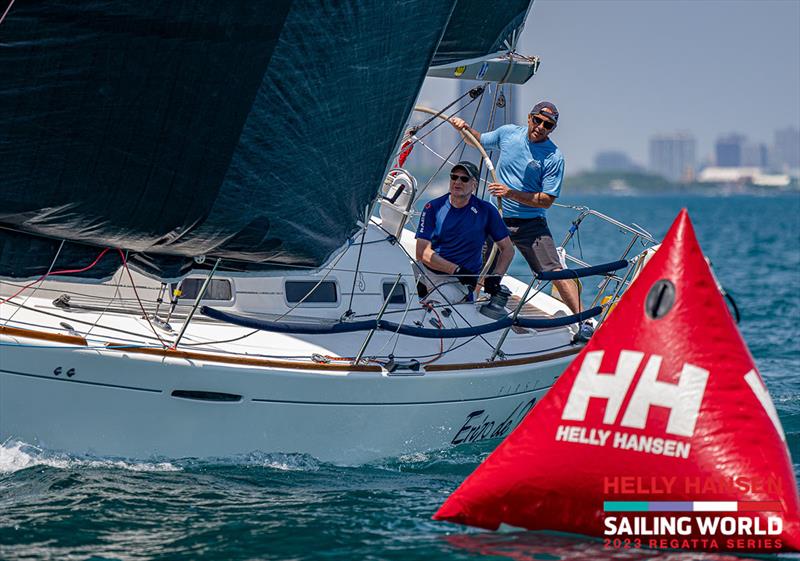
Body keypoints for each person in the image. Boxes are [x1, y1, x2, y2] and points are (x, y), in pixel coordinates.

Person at [449, 101, 586, 321]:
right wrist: (463, 128)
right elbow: (477, 141)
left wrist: (509, 193)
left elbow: (546, 200)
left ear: (552, 129)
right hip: (496, 217)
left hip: (530, 223)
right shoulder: (508, 133)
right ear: (530, 118)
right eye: (538, 120)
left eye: (548, 125)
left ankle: (585, 320)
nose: (541, 126)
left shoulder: (553, 157)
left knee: (554, 271)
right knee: (479, 266)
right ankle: (463, 313)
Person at [415, 161, 514, 304]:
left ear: (474, 185)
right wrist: (456, 269)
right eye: (454, 177)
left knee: (432, 309)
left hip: (458, 282)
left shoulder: (486, 211)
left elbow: (508, 249)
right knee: (388, 289)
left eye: (464, 179)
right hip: (426, 271)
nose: (457, 182)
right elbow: (421, 252)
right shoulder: (432, 207)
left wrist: (496, 277)